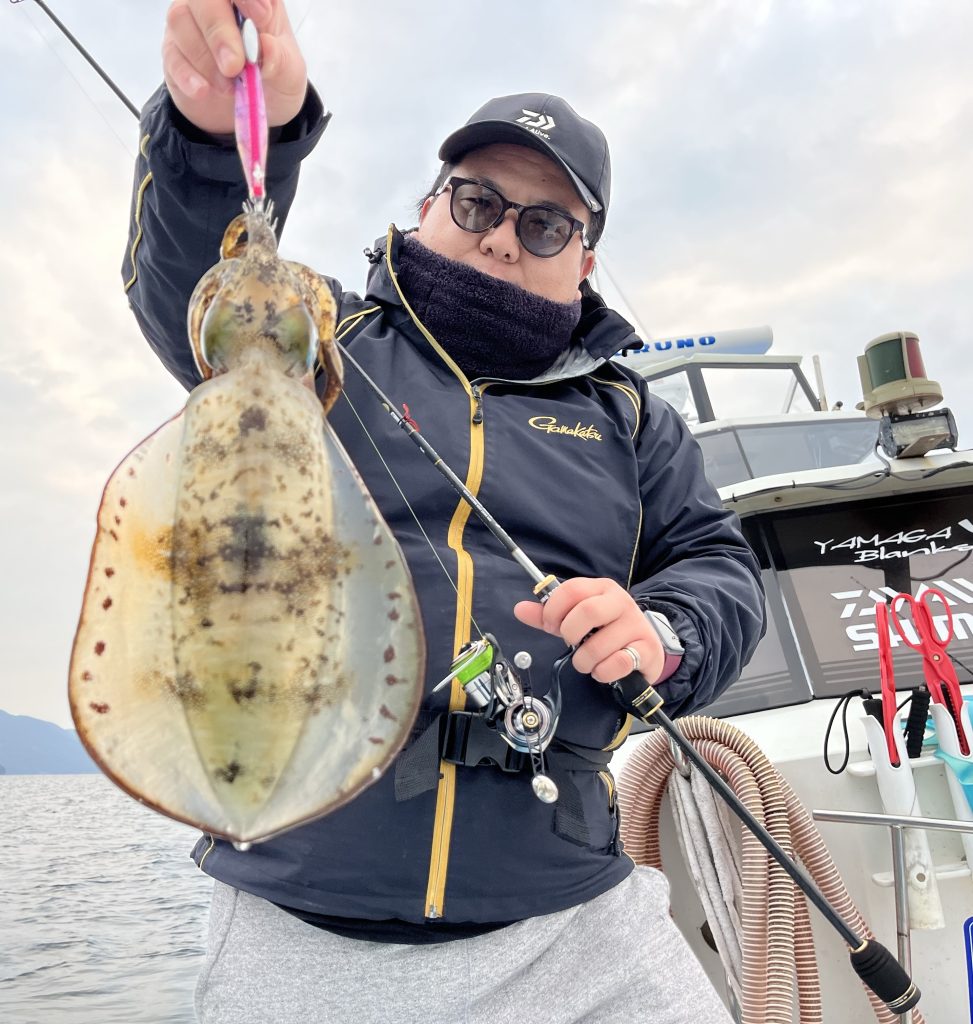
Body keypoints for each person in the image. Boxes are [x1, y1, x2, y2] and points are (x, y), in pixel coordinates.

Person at [125, 2, 766, 1021]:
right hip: (302, 922)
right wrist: (217, 136)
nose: (503, 237)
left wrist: (663, 632)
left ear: (584, 257)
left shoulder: (631, 418)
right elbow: (199, 288)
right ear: (429, 203)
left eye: (544, 223)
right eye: (476, 202)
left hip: (571, 919)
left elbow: (720, 568)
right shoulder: (317, 342)